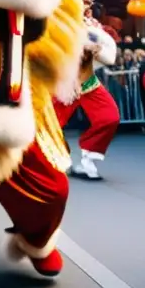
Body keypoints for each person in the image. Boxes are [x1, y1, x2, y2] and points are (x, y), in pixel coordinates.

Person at [54, 19, 121, 180]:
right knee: (49, 125)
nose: (88, 9)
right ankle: (51, 158)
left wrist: (96, 48)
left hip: (88, 84)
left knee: (110, 117)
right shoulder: (59, 24)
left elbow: (109, 58)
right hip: (63, 84)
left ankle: (87, 157)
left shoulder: (93, 28)